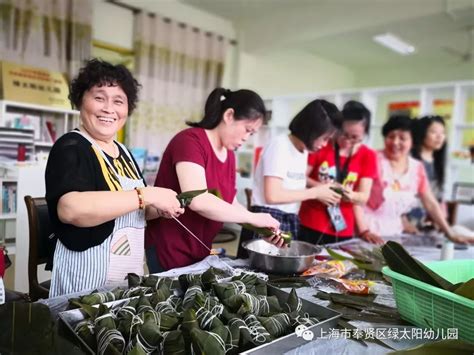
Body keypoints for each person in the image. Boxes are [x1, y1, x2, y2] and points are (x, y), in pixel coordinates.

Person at [45, 59, 184, 297]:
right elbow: (71, 209)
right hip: (86, 277)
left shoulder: (125, 152)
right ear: (80, 101)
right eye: (99, 98)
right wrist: (147, 194)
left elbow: (135, 208)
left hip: (127, 272)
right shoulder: (71, 146)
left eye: (118, 101)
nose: (109, 108)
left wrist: (157, 209)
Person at [145, 88, 282, 272]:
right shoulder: (190, 141)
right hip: (170, 245)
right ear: (229, 115)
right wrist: (253, 217)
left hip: (200, 247)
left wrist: (262, 228)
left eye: (252, 134)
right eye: (247, 130)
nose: (246, 138)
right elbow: (198, 200)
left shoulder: (229, 155)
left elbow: (229, 201)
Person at [237, 99, 342, 257]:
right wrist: (316, 192)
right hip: (268, 219)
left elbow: (293, 182)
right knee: (255, 273)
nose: (324, 144)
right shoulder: (280, 145)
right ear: (312, 130)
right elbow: (273, 195)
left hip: (289, 218)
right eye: (325, 138)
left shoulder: (302, 150)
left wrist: (323, 189)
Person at [361, 115, 472, 244]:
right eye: (391, 137)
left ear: (412, 141)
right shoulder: (372, 158)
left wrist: (450, 233)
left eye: (402, 138)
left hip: (395, 232)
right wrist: (364, 231)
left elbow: (430, 202)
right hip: (366, 230)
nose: (395, 142)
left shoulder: (416, 167)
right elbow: (357, 201)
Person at [299, 100, 379, 245]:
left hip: (343, 229)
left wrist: (351, 195)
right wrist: (321, 189)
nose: (347, 141)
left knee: (337, 267)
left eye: (355, 137)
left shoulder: (368, 155)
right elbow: (300, 176)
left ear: (365, 133)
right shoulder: (321, 144)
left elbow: (364, 197)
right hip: (310, 221)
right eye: (343, 134)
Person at [405, 115, 447, 232]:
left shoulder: (438, 162)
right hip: (405, 222)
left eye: (443, 133)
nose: (439, 137)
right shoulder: (410, 159)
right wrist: (404, 223)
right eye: (433, 132)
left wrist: (441, 219)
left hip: (426, 224)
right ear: (422, 133)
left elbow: (439, 196)